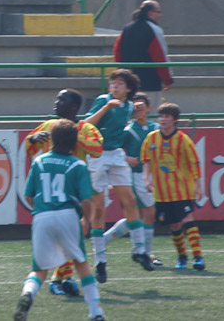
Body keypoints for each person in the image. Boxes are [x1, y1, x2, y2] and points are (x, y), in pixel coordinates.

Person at [14, 120, 105, 321]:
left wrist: (42, 208)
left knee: (39, 269)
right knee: (81, 263)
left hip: (41, 216)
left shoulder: (39, 162)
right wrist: (86, 219)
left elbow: (28, 195)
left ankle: (27, 293)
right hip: (67, 216)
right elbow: (86, 200)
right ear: (75, 144)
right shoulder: (78, 165)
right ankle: (96, 311)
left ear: (52, 140)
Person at [24, 88, 103, 297]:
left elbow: (97, 149)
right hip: (53, 191)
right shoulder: (49, 125)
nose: (56, 102)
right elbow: (28, 148)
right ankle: (62, 280)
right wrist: (33, 140)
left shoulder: (86, 127)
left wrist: (73, 136)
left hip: (76, 191)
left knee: (70, 241)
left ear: (74, 106)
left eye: (62, 99)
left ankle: (61, 278)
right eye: (57, 97)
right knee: (68, 240)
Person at [84, 69, 154, 283]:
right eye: (113, 82)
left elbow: (128, 113)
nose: (114, 86)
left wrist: (136, 111)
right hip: (97, 154)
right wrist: (106, 107)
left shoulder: (128, 106)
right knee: (99, 208)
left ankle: (139, 250)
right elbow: (86, 124)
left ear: (129, 89)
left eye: (120, 83)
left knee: (130, 201)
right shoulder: (104, 100)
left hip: (115, 154)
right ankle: (100, 261)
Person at [140, 102, 205, 271]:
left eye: (167, 116)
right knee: (174, 225)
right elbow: (146, 160)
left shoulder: (184, 140)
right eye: (161, 116)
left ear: (175, 120)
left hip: (182, 189)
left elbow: (195, 164)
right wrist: (147, 179)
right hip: (161, 193)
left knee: (187, 219)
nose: (163, 119)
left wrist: (198, 186)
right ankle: (182, 256)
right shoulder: (151, 138)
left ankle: (198, 257)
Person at [102, 92, 162, 265]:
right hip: (135, 175)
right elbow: (114, 148)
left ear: (149, 108)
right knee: (149, 213)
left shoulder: (155, 128)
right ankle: (147, 253)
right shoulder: (128, 130)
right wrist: (127, 158)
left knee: (137, 216)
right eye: (136, 108)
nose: (139, 111)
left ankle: (105, 239)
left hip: (152, 176)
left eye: (142, 107)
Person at [113, 0, 173, 93]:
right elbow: (159, 56)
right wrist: (167, 79)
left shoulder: (127, 28)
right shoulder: (155, 29)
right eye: (158, 12)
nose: (160, 15)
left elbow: (117, 51)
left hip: (129, 82)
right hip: (151, 81)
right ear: (150, 12)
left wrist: (122, 73)